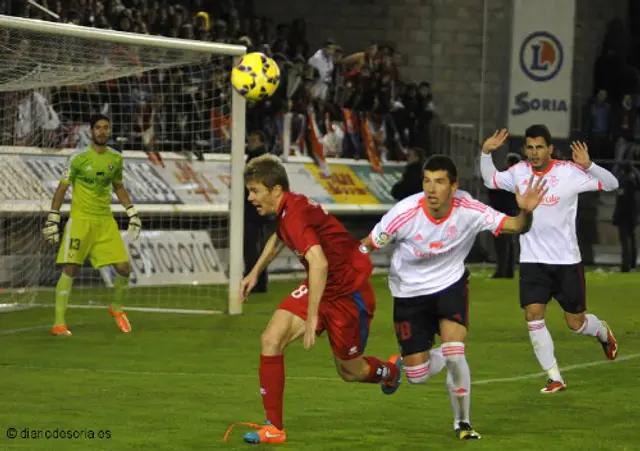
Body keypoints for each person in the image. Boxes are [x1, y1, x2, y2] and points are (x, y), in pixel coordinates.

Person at [361, 154, 547, 440]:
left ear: (454, 185)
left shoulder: (469, 209)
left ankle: (463, 423)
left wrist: (526, 212)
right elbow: (367, 245)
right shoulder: (403, 213)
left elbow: (515, 226)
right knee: (418, 376)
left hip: (450, 286)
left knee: (455, 351)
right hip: (409, 294)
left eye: (439, 182)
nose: (431, 189)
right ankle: (403, 365)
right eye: (427, 181)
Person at [229, 154, 402, 445]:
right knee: (271, 339)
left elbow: (319, 262)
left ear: (275, 190)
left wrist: (312, 318)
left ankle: (389, 371)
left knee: (350, 371)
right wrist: (255, 271)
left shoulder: (294, 214)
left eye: (255, 190)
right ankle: (275, 427)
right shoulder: (288, 210)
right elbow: (280, 236)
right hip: (322, 284)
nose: (250, 197)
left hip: (348, 292)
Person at [479, 125, 620, 394]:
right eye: (529, 147)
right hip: (533, 260)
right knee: (533, 315)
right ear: (525, 150)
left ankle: (601, 332)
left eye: (539, 147)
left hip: (567, 261)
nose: (534, 153)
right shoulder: (519, 173)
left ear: (550, 149)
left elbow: (612, 184)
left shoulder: (569, 172)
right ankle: (554, 376)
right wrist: (486, 152)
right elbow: (491, 180)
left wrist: (589, 165)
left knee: (575, 323)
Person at [42, 114, 141, 336]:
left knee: (124, 268)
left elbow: (118, 187)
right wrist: (53, 217)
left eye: (106, 128)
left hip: (105, 222)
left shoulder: (115, 158)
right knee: (70, 268)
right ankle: (59, 323)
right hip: (81, 221)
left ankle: (116, 308)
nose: (103, 132)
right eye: (98, 128)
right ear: (91, 131)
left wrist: (132, 213)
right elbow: (61, 188)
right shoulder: (78, 158)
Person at [243, 131, 270, 293]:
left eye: (253, 139)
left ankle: (254, 281)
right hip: (259, 210)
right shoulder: (263, 159)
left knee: (251, 246)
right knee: (258, 247)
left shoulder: (257, 160)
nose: (249, 143)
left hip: (253, 211)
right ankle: (259, 282)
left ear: (261, 142)